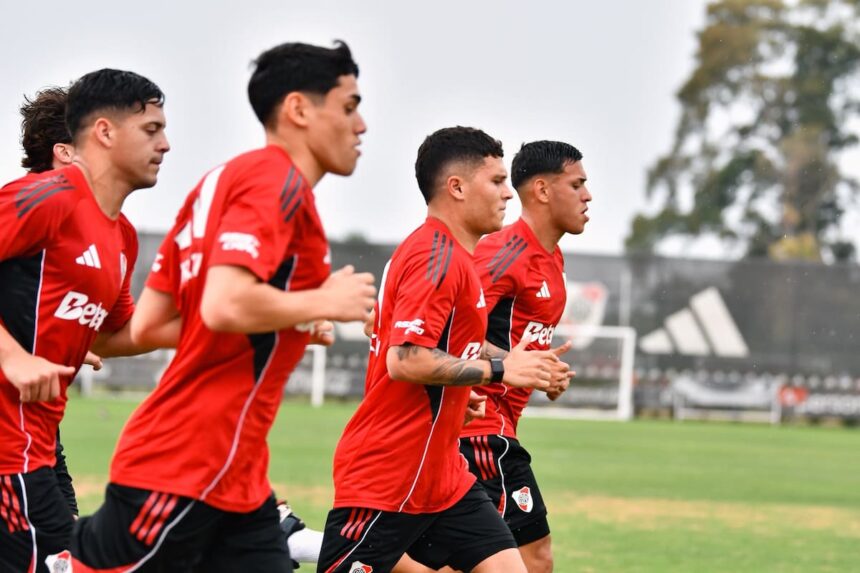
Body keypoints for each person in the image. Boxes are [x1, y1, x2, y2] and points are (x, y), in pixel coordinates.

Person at [63, 40, 376, 572]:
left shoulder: (220, 182)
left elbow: (151, 324)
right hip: (185, 464)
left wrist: (291, 317)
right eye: (349, 107)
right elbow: (225, 304)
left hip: (238, 479)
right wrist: (323, 299)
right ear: (298, 109)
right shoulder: (276, 182)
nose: (361, 125)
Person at [317, 126, 572, 573]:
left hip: (445, 477)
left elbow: (432, 349)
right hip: (389, 473)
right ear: (456, 187)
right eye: (496, 181)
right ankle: (293, 542)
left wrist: (459, 395)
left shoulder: (455, 257)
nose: (507, 194)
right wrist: (499, 370)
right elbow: (405, 359)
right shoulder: (435, 255)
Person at [0, 69, 170, 573]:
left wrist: (238, 323)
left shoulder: (122, 237)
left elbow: (118, 335)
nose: (166, 144)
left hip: (36, 446)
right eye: (151, 130)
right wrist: (12, 356)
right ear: (104, 132)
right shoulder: (46, 197)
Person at [459, 140, 590, 572]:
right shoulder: (504, 251)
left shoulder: (552, 257)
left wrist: (545, 370)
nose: (588, 196)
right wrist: (511, 364)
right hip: (478, 427)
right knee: (533, 556)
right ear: (542, 190)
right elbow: (446, 326)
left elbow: (515, 343)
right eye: (577, 185)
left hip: (500, 426)